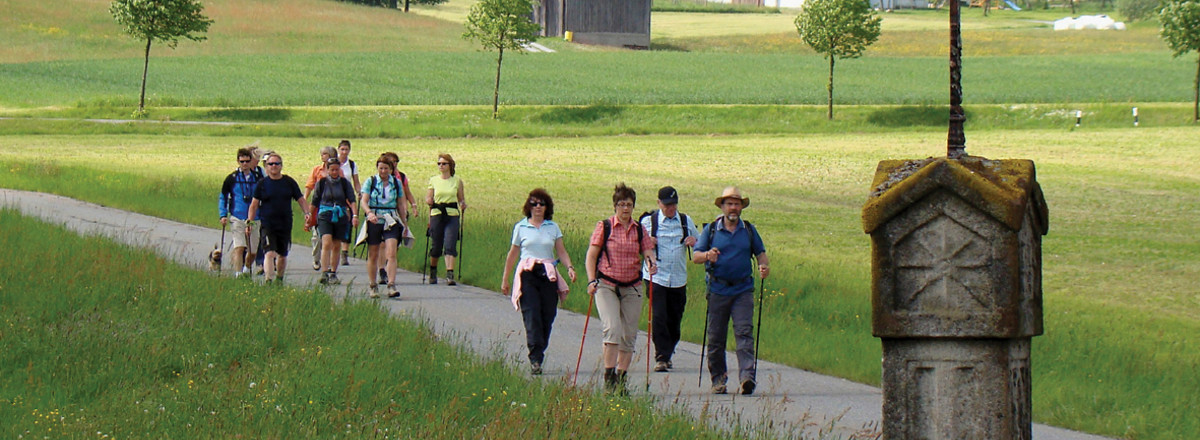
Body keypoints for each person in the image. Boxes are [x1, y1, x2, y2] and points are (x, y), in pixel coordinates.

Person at [692, 186, 769, 396]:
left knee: (744, 332)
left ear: (741, 207)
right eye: (730, 204)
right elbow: (695, 256)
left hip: (743, 289)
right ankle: (718, 379)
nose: (733, 208)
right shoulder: (712, 229)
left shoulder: (749, 230)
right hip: (718, 289)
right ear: (723, 206)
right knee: (716, 337)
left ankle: (747, 378)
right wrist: (708, 255)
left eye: (737, 204)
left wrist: (764, 267)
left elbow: (761, 254)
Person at [584, 183, 656, 395]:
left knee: (629, 334)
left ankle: (622, 379)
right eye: (622, 204)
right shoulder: (604, 227)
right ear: (615, 206)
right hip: (606, 284)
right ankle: (609, 377)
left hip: (632, 286)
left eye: (630, 205)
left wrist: (651, 262)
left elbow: (648, 251)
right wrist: (591, 280)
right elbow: (591, 256)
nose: (626, 209)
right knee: (612, 328)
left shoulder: (639, 229)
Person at [501, 189, 576, 375]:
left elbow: (561, 251)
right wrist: (505, 279)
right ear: (529, 206)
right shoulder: (521, 227)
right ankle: (535, 358)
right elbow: (513, 255)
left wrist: (569, 268)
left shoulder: (553, 227)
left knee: (548, 315)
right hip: (528, 273)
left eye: (541, 204)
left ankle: (539, 348)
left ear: (547, 207)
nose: (538, 207)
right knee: (532, 312)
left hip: (547, 273)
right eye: (534, 204)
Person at [640, 186, 699, 373]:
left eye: (673, 205)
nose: (671, 208)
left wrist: (694, 242)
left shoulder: (685, 221)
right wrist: (648, 242)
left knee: (675, 318)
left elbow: (700, 246)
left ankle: (668, 350)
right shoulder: (649, 222)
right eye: (667, 205)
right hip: (656, 276)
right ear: (659, 203)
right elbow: (636, 245)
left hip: (679, 278)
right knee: (659, 316)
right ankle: (661, 356)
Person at [246, 152, 311, 283]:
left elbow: (300, 199)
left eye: (277, 163)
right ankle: (269, 279)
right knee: (269, 252)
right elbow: (254, 205)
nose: (274, 166)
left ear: (281, 166)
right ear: (266, 166)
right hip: (268, 223)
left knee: (282, 254)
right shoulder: (262, 184)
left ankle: (279, 279)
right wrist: (250, 222)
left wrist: (307, 213)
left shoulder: (289, 182)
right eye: (271, 164)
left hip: (285, 223)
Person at [310, 157, 358, 285]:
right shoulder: (321, 183)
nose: (335, 172)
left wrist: (355, 216)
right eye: (332, 170)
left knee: (337, 245)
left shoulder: (344, 184)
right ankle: (324, 272)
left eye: (337, 169)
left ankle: (333, 272)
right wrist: (309, 216)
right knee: (326, 243)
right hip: (325, 215)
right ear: (327, 170)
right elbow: (314, 201)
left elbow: (352, 200)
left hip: (340, 216)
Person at [361, 156, 404, 299]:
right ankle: (373, 285)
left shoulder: (396, 184)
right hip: (375, 219)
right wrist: (369, 213)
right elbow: (364, 201)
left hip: (391, 219)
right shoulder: (371, 181)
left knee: (391, 252)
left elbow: (401, 204)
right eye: (381, 168)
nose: (383, 171)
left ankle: (391, 284)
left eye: (386, 168)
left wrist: (404, 223)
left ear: (391, 169)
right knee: (373, 253)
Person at [218, 147, 262, 278]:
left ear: (250, 161)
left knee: (253, 251)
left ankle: (246, 269)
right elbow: (223, 197)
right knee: (240, 247)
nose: (244, 164)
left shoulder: (258, 178)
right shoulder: (231, 179)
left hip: (255, 218)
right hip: (237, 217)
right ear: (238, 161)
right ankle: (238, 274)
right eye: (242, 161)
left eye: (247, 161)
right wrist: (223, 214)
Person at [378, 151, 419, 285]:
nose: (393, 164)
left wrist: (413, 206)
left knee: (394, 244)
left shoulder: (400, 177)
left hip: (397, 213)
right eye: (391, 161)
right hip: (382, 214)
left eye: (395, 161)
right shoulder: (377, 179)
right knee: (382, 244)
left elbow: (407, 193)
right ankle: (382, 269)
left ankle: (389, 264)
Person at [425, 153, 466, 286]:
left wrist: (463, 204)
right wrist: (429, 201)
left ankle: (450, 273)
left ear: (450, 165)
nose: (441, 166)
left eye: (444, 164)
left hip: (452, 214)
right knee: (436, 245)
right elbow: (428, 197)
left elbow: (460, 198)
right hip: (437, 213)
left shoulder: (457, 181)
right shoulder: (434, 180)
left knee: (450, 243)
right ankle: (433, 271)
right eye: (439, 164)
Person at [305, 146, 338, 271]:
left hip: (332, 206)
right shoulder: (316, 170)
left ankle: (328, 262)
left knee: (329, 237)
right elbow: (309, 186)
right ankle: (316, 258)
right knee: (316, 236)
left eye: (325, 154)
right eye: (322, 154)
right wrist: (304, 199)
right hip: (318, 205)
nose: (322, 156)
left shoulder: (337, 171)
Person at [336, 140, 361, 266]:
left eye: (346, 149)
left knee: (348, 223)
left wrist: (359, 192)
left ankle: (344, 253)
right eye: (342, 149)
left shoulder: (351, 164)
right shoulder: (333, 162)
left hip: (347, 196)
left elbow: (355, 181)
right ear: (338, 149)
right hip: (334, 196)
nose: (344, 152)